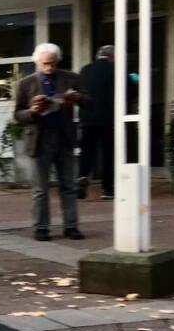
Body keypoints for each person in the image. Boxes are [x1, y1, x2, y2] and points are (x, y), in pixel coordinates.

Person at [14, 42, 84, 241]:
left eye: (52, 63)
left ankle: (71, 226)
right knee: (40, 189)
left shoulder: (71, 78)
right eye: (45, 64)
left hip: (64, 137)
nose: (49, 68)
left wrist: (77, 98)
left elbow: (89, 102)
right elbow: (17, 114)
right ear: (37, 62)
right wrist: (32, 111)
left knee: (68, 185)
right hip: (39, 139)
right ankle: (41, 227)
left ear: (58, 61)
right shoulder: (26, 83)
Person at [77, 46, 115, 200]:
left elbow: (79, 92)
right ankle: (108, 189)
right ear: (112, 56)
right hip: (108, 119)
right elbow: (130, 89)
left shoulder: (85, 70)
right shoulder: (115, 69)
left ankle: (82, 178)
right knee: (108, 154)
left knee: (86, 153)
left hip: (87, 118)